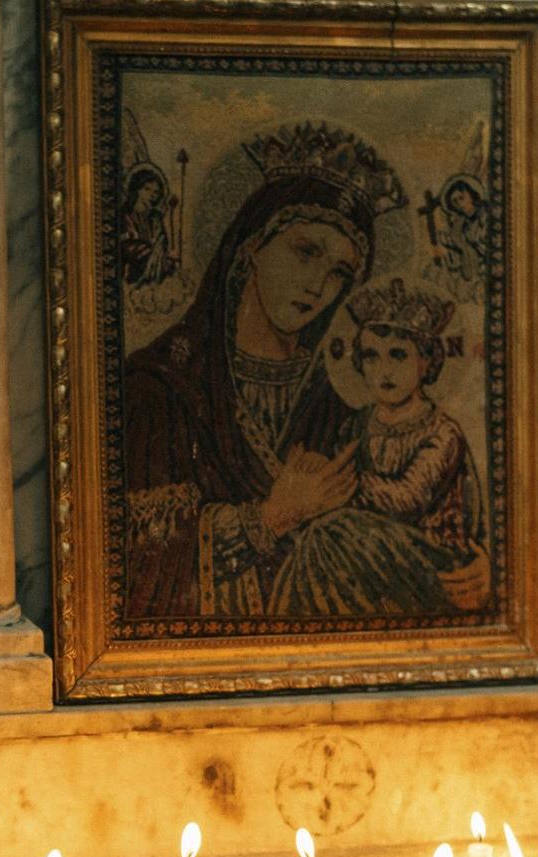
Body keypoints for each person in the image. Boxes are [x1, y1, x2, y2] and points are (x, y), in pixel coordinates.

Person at [120, 121, 400, 621]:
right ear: (251, 244)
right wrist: (272, 516)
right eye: (306, 251)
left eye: (340, 272)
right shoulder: (160, 390)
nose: (319, 285)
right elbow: (139, 572)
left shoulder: (336, 403)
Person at [267, 276, 491, 618]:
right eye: (371, 356)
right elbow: (331, 479)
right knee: (318, 539)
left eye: (398, 355)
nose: (384, 370)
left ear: (426, 362)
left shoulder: (442, 433)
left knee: (328, 535)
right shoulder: (355, 425)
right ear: (358, 363)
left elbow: (407, 499)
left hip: (430, 557)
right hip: (365, 551)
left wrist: (335, 485)